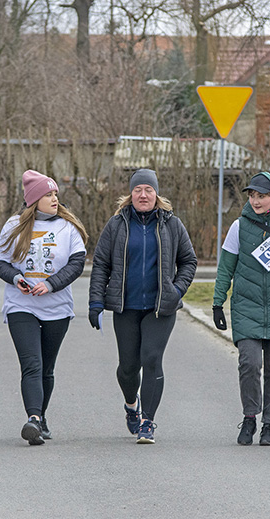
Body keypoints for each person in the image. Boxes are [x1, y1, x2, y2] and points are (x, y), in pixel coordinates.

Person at [88, 168, 197, 444]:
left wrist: (177, 290)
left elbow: (189, 261)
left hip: (160, 308)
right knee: (127, 367)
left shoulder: (172, 224)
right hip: (125, 307)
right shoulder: (117, 225)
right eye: (138, 190)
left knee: (151, 359)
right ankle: (131, 405)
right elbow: (101, 263)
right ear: (130, 194)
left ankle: (148, 421)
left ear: (157, 194)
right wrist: (96, 301)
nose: (143, 194)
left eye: (148, 190)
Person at [212, 172, 270, 446]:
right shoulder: (239, 227)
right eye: (252, 195)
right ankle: (250, 417)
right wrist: (218, 302)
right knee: (249, 364)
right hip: (247, 306)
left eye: (262, 196)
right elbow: (225, 268)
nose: (255, 200)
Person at [0, 170, 88, 446]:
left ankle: (42, 417)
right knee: (31, 364)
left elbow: (77, 263)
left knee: (47, 368)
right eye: (48, 194)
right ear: (35, 199)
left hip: (57, 307)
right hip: (20, 305)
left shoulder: (67, 228)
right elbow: (0, 262)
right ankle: (33, 419)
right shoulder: (14, 225)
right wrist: (16, 278)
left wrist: (51, 284)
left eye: (55, 193)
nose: (54, 198)